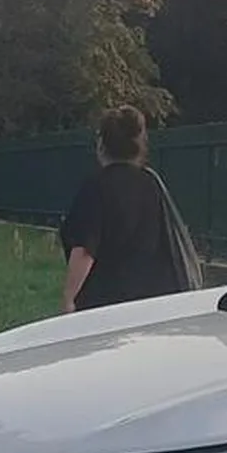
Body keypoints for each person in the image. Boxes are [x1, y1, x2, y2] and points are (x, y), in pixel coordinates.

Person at [57, 105, 205, 315]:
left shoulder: (96, 187)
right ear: (140, 145)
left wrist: (69, 298)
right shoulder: (153, 184)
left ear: (101, 144)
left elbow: (85, 251)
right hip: (151, 305)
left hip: (104, 305)